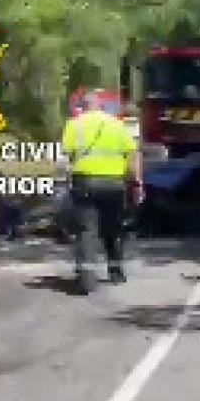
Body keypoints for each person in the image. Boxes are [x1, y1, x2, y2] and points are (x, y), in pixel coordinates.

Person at [61, 90, 142, 292]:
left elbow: (64, 158)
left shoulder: (74, 125)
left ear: (82, 105)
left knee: (87, 229)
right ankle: (115, 272)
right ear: (101, 106)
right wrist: (137, 182)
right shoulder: (117, 124)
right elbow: (132, 155)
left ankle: (87, 279)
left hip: (85, 183)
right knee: (113, 228)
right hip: (114, 184)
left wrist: (62, 180)